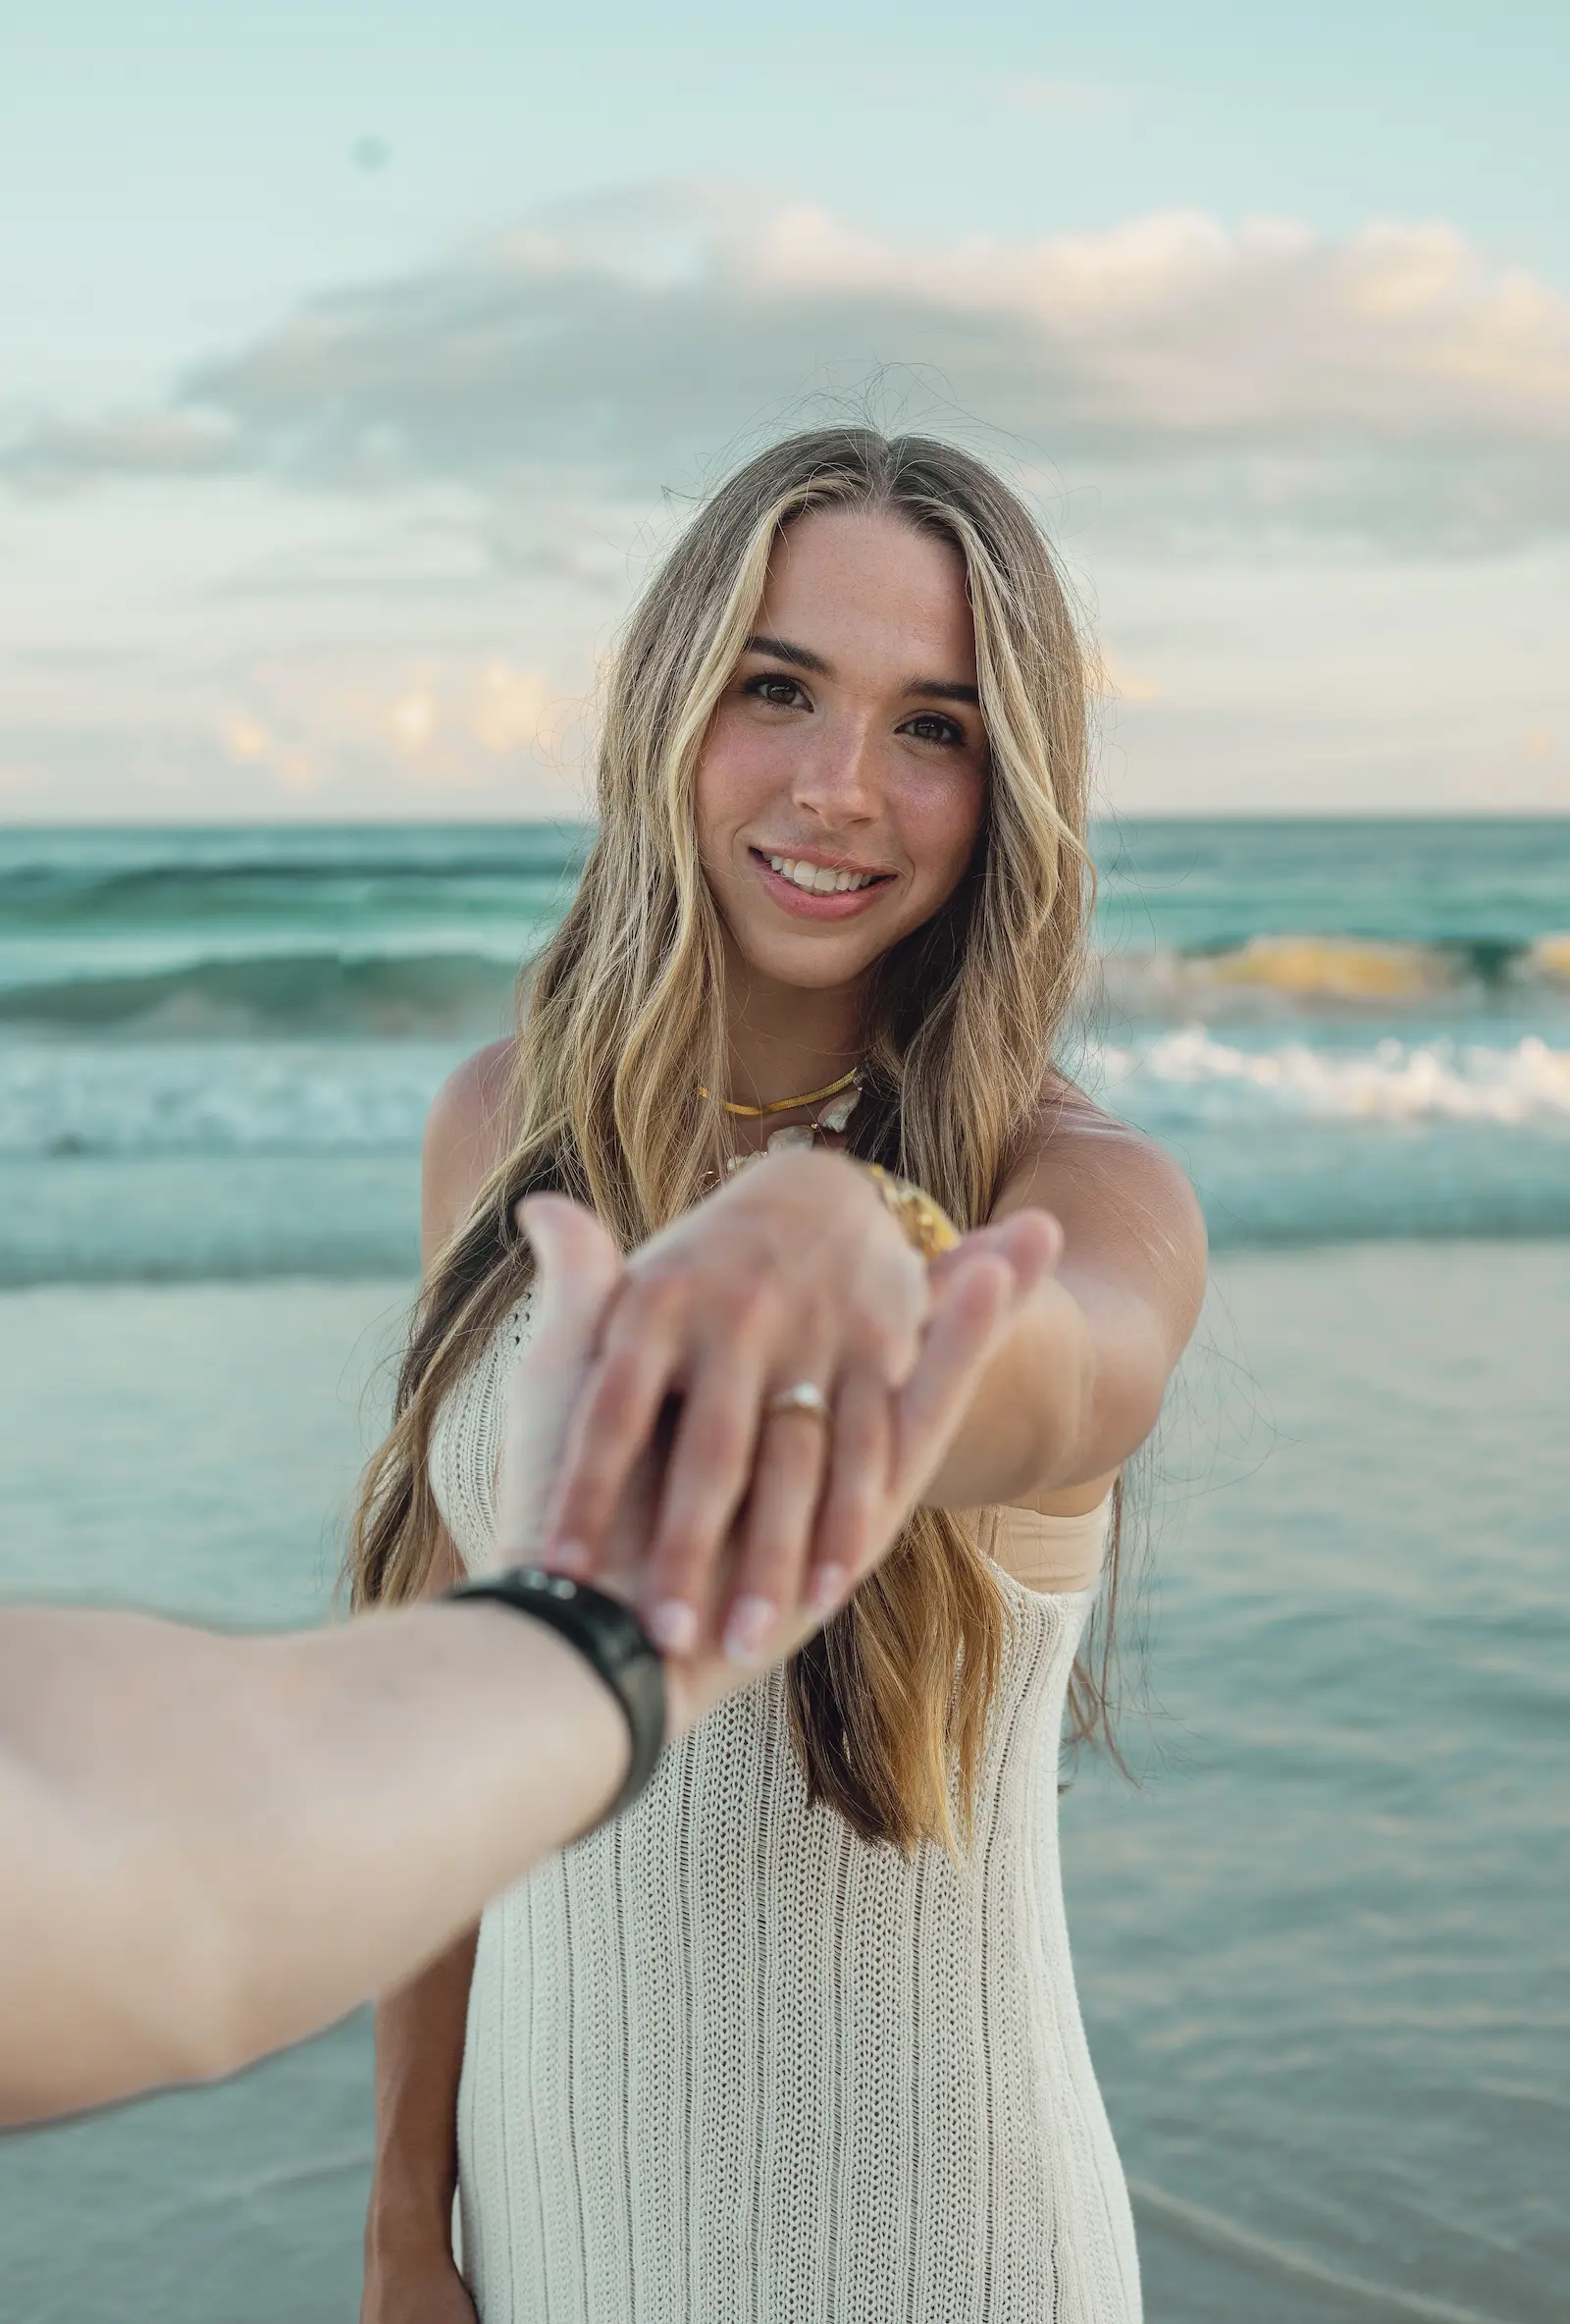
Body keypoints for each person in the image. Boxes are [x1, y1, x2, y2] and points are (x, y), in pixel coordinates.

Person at [353, 429, 1207, 2324]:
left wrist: (867, 1277)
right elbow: (437, 1704)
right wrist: (406, 2221)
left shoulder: (1072, 1198)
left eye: (937, 727)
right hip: (553, 2233)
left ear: (1010, 791)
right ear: (676, 701)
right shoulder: (501, 1135)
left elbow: (1076, 1373)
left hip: (940, 2255)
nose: (841, 789)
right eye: (781, 686)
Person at [0, 1190, 1046, 2129]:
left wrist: (879, 1221)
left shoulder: (1071, 1170)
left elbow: (1068, 1388)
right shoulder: (501, 1127)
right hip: (538, 2172)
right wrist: (407, 2199)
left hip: (931, 2190)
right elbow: (164, 1891)